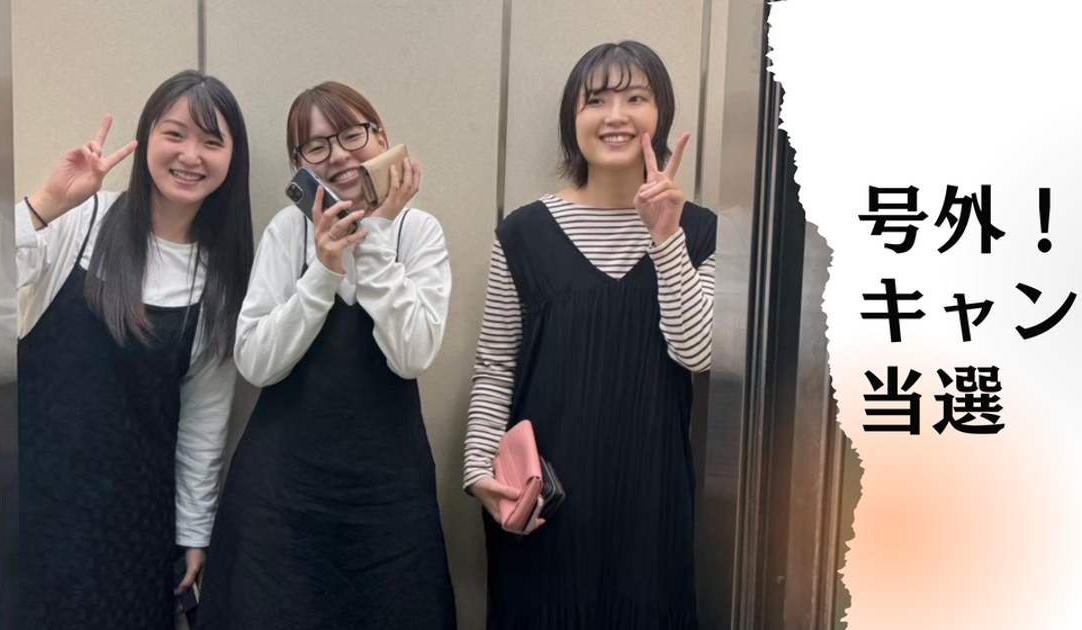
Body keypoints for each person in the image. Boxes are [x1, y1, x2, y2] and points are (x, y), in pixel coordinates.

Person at [464, 40, 717, 629]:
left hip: (650, 507)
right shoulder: (523, 234)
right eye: (596, 100)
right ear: (571, 119)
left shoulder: (701, 231)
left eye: (636, 98)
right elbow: (495, 367)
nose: (615, 116)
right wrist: (479, 471)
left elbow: (697, 352)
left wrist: (665, 238)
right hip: (546, 504)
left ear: (661, 114)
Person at [198, 81, 456, 629]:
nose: (338, 155)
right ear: (300, 164)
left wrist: (376, 233)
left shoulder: (418, 231)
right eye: (316, 146)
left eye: (351, 134)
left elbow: (412, 355)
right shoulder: (288, 230)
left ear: (381, 137)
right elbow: (255, 362)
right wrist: (323, 271)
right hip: (280, 499)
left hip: (387, 499)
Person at [15, 69, 253, 630]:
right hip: (34, 500)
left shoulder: (219, 278)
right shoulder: (84, 216)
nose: (190, 155)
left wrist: (194, 533)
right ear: (146, 139)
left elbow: (203, 422)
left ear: (232, 160)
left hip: (135, 521)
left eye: (211, 141)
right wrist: (46, 202)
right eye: (175, 134)